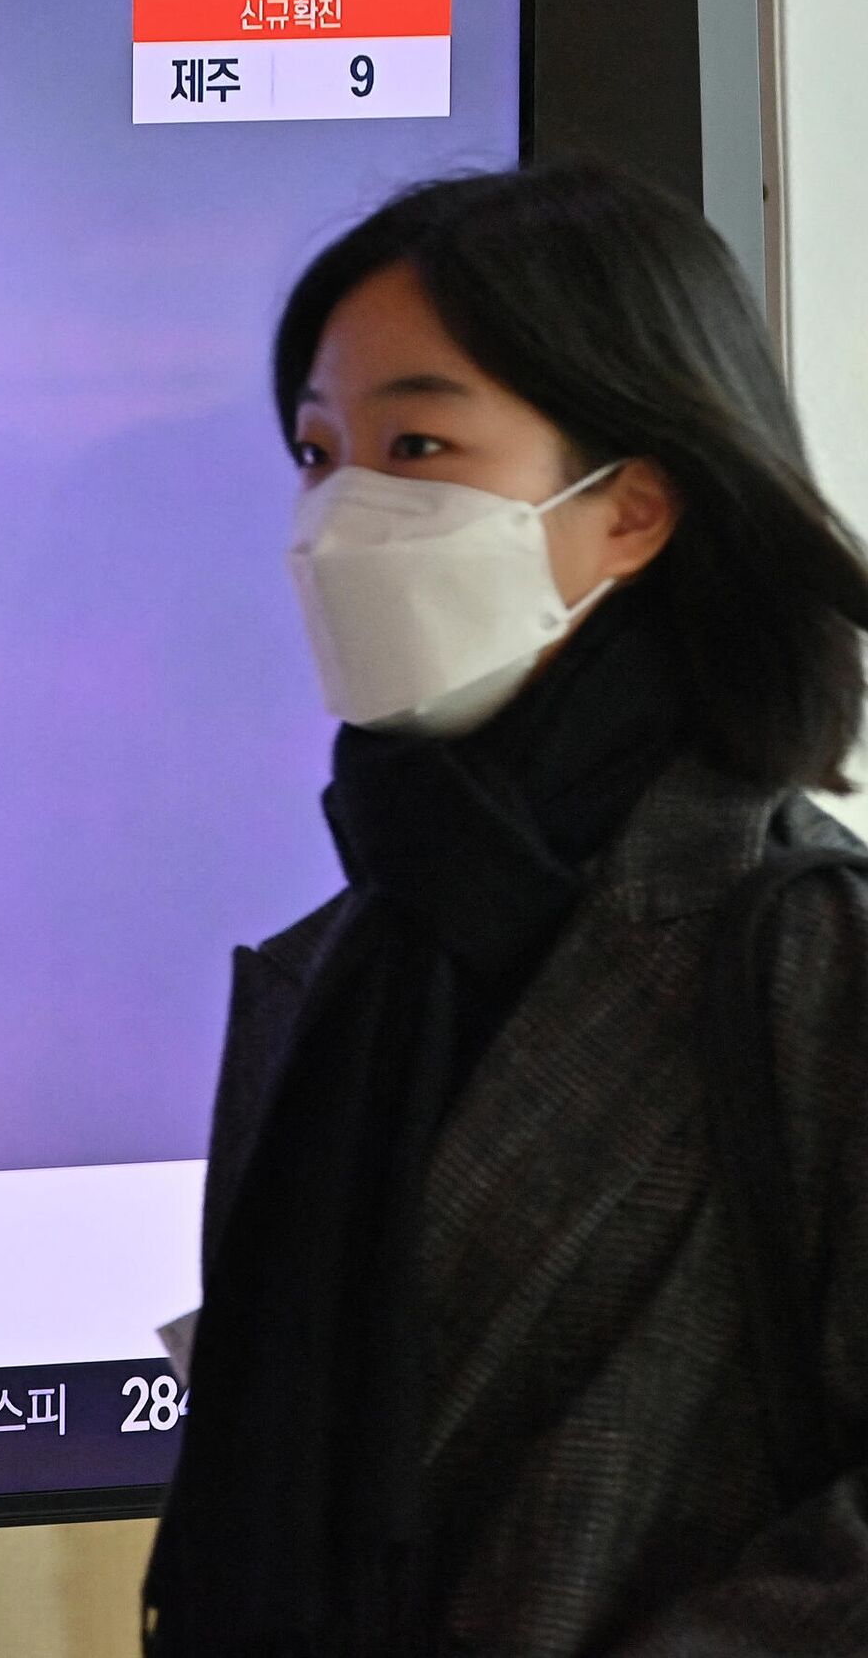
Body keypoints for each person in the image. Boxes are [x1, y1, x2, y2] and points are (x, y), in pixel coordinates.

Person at [140, 161, 868, 1655]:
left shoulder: (808, 952)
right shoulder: (336, 972)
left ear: (634, 509)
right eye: (319, 452)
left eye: (419, 445)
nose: (341, 517)